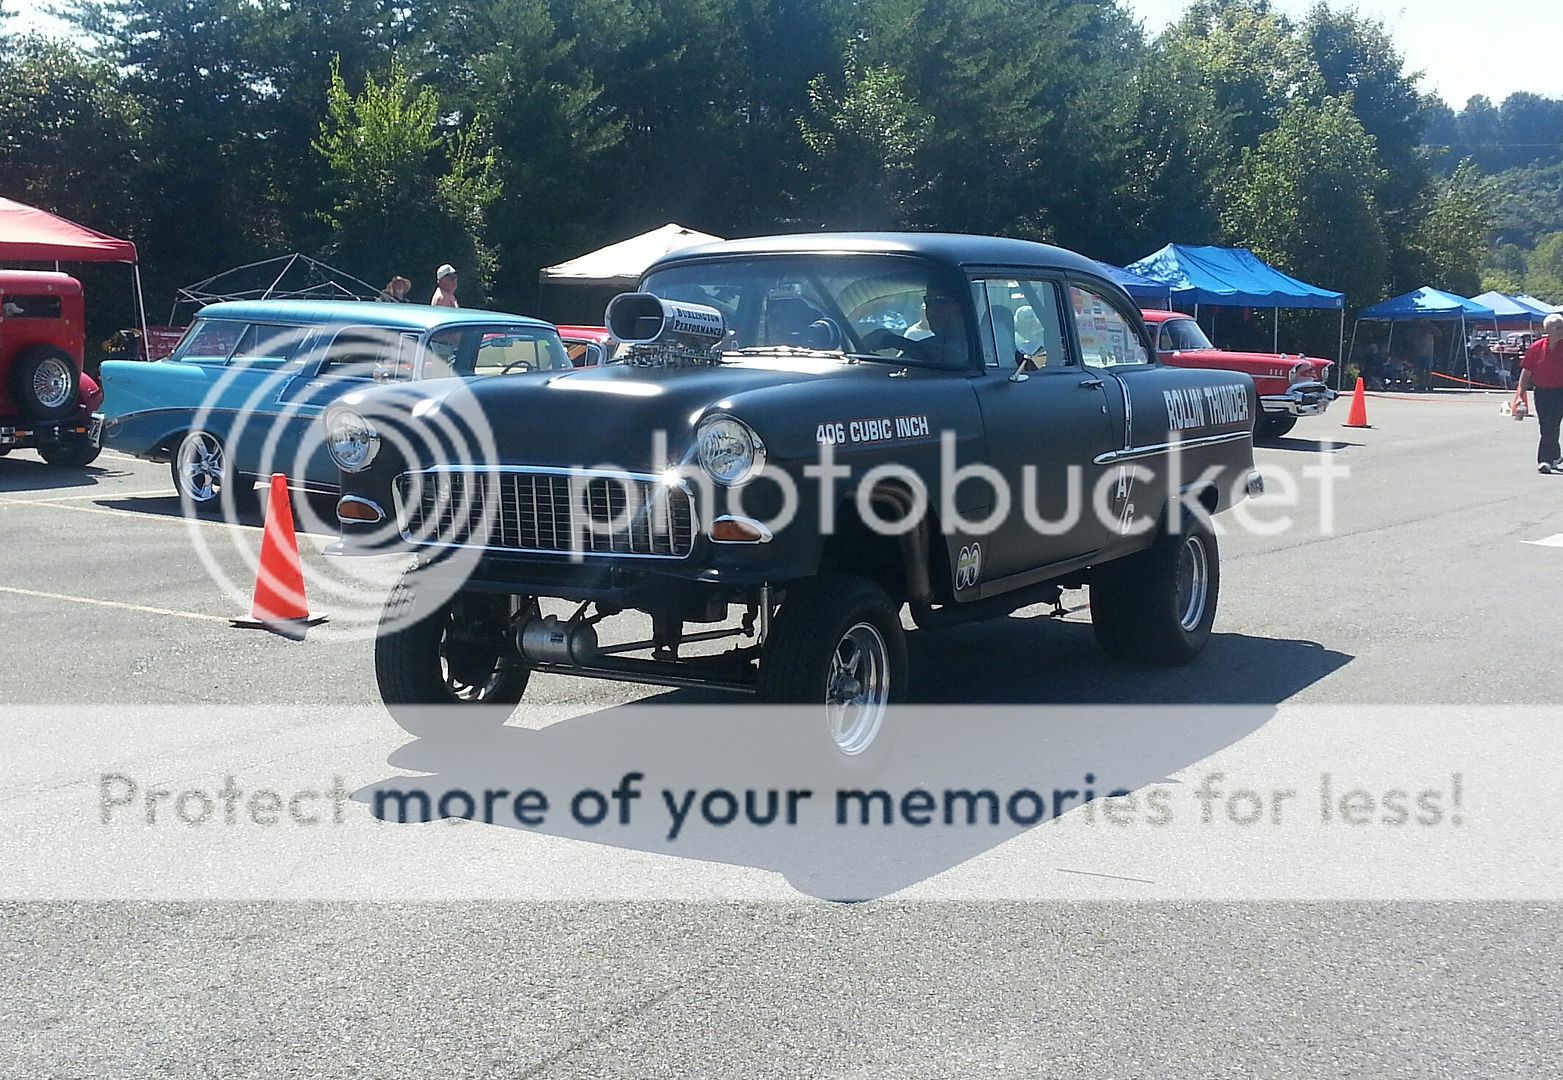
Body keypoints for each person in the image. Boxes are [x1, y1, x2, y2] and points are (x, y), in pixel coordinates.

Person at [860, 284, 970, 366]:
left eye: (939, 302)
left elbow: (953, 359)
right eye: (927, 302)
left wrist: (896, 342)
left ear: (961, 306)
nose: (931, 311)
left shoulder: (979, 345)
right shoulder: (928, 345)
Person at [1515, 313, 1563, 473]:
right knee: (1546, 426)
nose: (1561, 330)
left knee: (1552, 424)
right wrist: (1520, 395)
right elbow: (1526, 373)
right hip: (1542, 392)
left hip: (1560, 392)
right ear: (1547, 329)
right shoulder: (1537, 347)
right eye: (1557, 327)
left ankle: (1544, 460)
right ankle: (1555, 455)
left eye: (1562, 326)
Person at [1408, 321, 1436, 391]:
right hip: (1418, 352)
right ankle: (1421, 384)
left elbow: (1439, 333)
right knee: (1419, 369)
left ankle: (1428, 384)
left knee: (1428, 369)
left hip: (1428, 352)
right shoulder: (1416, 330)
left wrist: (1430, 326)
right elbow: (1412, 340)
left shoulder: (1430, 329)